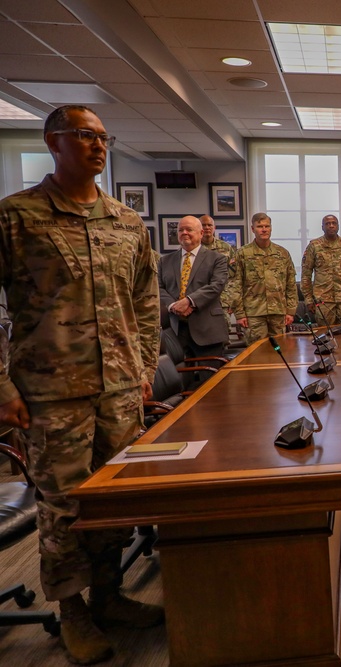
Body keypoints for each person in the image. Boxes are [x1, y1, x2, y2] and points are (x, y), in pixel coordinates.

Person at [0, 104, 163, 664]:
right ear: (53, 142)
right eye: (85, 135)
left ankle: (110, 595)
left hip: (119, 389)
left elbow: (146, 299)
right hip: (50, 394)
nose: (98, 145)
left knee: (115, 501)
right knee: (64, 506)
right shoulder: (17, 217)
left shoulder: (125, 221)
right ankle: (72, 612)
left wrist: (143, 364)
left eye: (102, 136)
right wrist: (3, 386)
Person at [159, 216, 230, 357]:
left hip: (208, 330)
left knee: (211, 377)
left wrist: (189, 301)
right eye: (180, 230)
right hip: (175, 330)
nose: (184, 233)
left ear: (201, 233)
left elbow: (217, 285)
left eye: (189, 229)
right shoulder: (164, 261)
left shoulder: (217, 259)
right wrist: (173, 305)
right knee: (180, 377)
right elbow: (158, 287)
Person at [231, 212, 297, 344]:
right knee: (257, 353)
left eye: (267, 226)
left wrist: (290, 311)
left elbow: (290, 284)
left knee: (280, 352)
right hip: (254, 313)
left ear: (271, 228)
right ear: (252, 229)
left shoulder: (282, 253)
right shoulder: (243, 253)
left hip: (278, 312)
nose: (264, 229)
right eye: (260, 226)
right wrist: (239, 313)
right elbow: (235, 285)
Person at [300, 214, 341, 326]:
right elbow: (306, 275)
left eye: (334, 223)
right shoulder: (314, 246)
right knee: (326, 335)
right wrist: (309, 300)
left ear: (338, 226)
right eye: (327, 224)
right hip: (323, 299)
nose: (331, 226)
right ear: (322, 227)